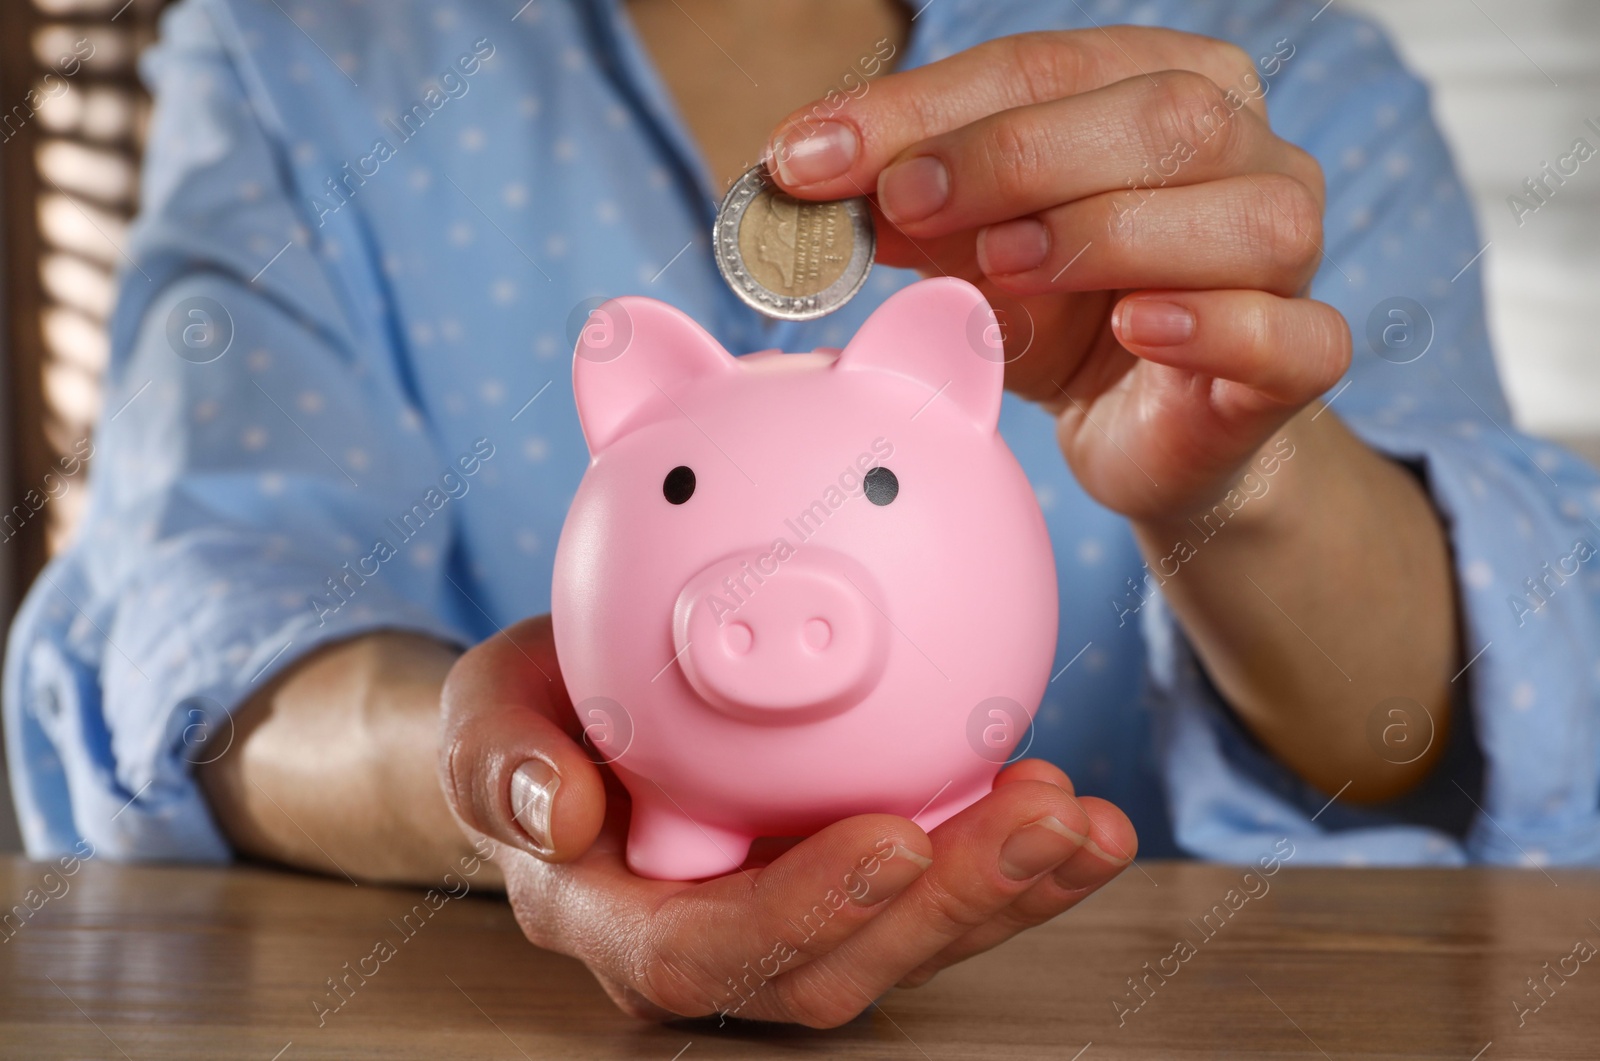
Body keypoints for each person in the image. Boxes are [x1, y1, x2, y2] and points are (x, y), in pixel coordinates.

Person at [6, 0, 1598, 1027]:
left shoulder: (1260, 66)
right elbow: (192, 604)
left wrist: (1244, 484)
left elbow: (1494, 694)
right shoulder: (310, 45)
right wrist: (499, 776)